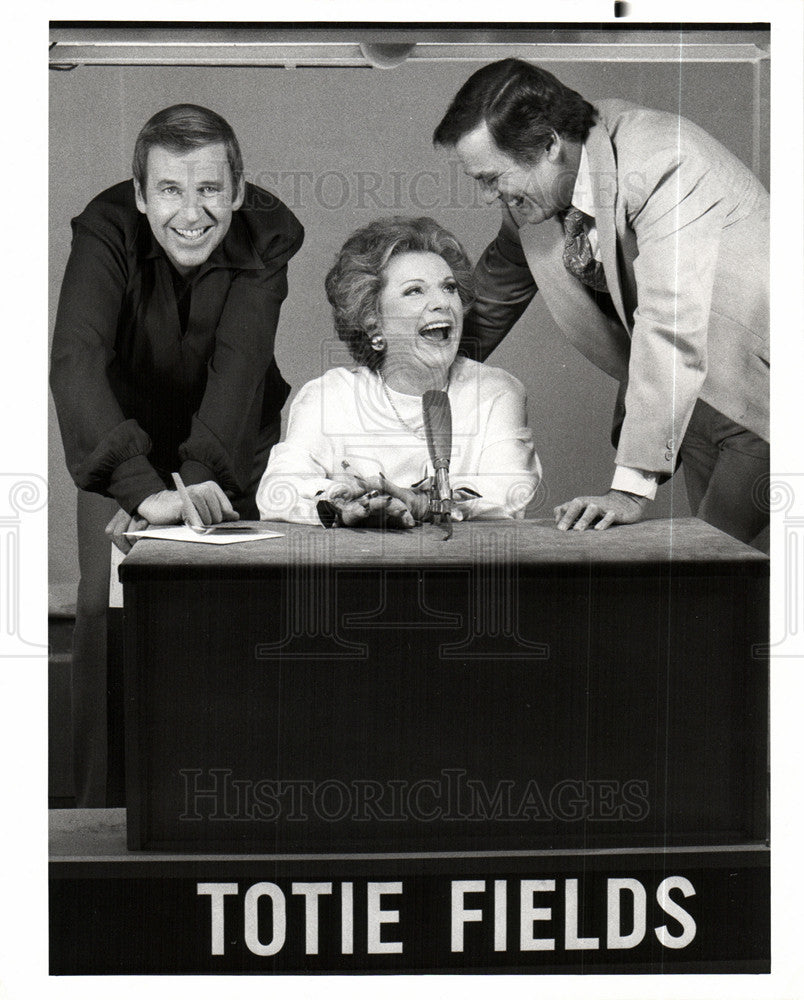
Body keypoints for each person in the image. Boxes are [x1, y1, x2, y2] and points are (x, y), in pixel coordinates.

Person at [50, 104, 304, 806]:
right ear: (139, 194)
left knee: (230, 618)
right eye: (169, 190)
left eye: (209, 190)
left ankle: (236, 801)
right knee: (106, 620)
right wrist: (139, 490)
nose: (191, 213)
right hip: (118, 440)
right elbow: (76, 362)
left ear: (239, 190)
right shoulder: (104, 229)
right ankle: (102, 813)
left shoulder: (268, 235)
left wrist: (193, 487)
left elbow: (241, 364)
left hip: (225, 447)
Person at [433, 59, 769, 549]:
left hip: (763, 398)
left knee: (707, 574)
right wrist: (408, 377)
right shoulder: (538, 197)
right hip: (685, 406)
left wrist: (629, 492)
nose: (489, 197)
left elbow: (668, 319)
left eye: (491, 178)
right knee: (718, 580)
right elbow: (489, 300)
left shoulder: (661, 158)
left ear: (549, 144)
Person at [257, 217, 541, 526]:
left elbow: (510, 494)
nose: (441, 303)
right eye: (415, 291)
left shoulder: (496, 392)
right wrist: (347, 499)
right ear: (372, 321)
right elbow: (276, 493)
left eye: (448, 288)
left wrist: (424, 505)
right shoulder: (329, 396)